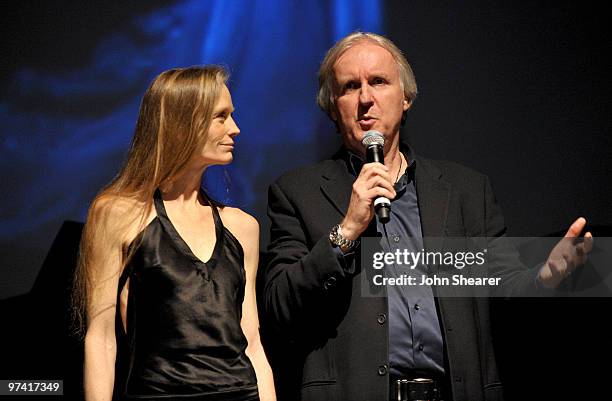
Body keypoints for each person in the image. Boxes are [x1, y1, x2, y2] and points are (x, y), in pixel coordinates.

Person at [261, 32, 592, 401]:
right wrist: (348, 229)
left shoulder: (467, 190)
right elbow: (280, 308)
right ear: (332, 108)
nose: (366, 98)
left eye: (379, 82)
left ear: (406, 98)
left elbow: (504, 291)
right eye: (350, 87)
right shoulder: (298, 192)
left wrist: (544, 279)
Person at [72, 66, 275, 401]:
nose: (235, 129)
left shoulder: (242, 227)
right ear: (184, 123)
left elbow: (251, 341)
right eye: (220, 117)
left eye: (232, 116)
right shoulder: (118, 215)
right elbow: (101, 338)